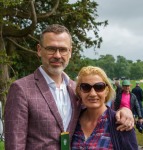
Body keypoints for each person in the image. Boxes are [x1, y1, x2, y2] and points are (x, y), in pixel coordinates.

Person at [4, 24, 134, 150]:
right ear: (39, 50)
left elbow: (97, 108)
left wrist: (125, 110)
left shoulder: (76, 89)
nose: (57, 55)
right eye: (51, 49)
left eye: (63, 49)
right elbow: (15, 144)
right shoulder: (21, 89)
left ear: (70, 51)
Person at [72, 66, 138, 150]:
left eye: (99, 87)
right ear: (79, 91)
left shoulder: (122, 123)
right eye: (86, 87)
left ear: (107, 91)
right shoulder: (72, 121)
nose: (92, 93)